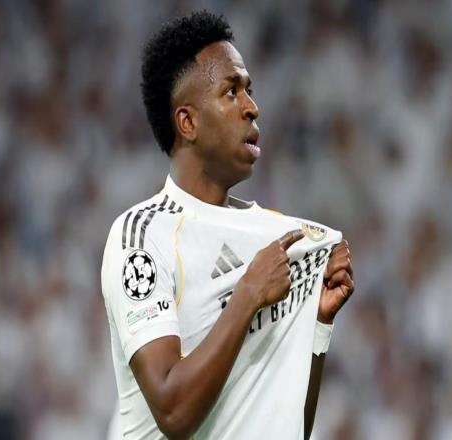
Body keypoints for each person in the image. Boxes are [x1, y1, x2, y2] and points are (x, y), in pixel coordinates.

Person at [101, 11, 355, 440]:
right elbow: (173, 412)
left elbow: (292, 427)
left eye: (249, 90)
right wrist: (248, 295)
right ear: (188, 123)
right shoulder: (142, 238)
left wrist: (317, 326)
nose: (252, 108)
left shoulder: (279, 240)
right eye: (231, 91)